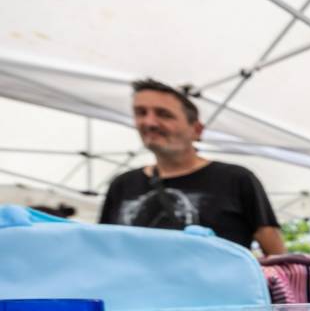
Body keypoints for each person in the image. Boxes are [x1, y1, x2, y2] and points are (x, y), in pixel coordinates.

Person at [99, 79, 285, 254]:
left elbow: (277, 257)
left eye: (164, 114)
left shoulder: (237, 179)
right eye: (141, 112)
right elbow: (103, 251)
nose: (149, 122)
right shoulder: (122, 184)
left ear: (197, 130)